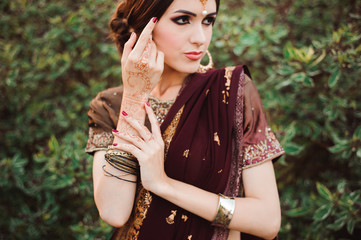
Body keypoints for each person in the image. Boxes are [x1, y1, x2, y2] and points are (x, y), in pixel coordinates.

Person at [85, 0, 285, 239]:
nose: (200, 38)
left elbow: (268, 220)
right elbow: (113, 212)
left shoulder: (230, 92)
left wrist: (164, 185)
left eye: (208, 21)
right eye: (182, 20)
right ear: (145, 25)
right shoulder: (111, 105)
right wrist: (134, 97)